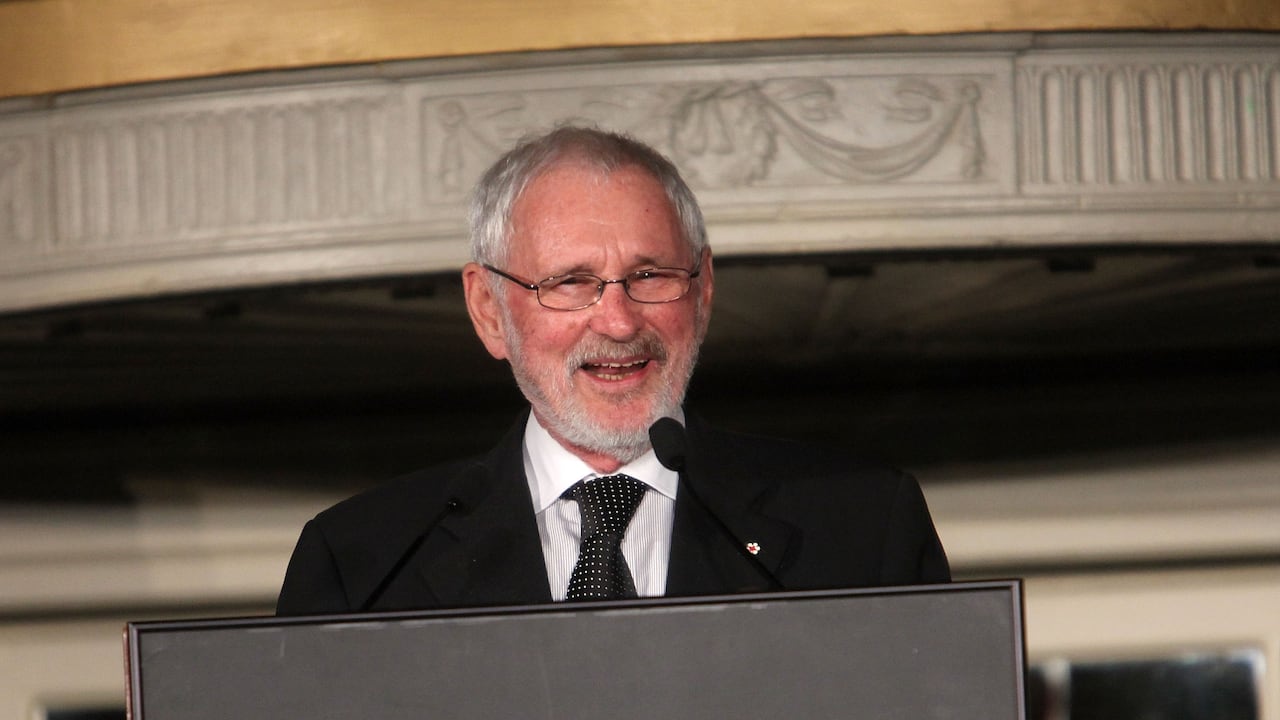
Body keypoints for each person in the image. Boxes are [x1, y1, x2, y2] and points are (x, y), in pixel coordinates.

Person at [276, 125, 949, 615]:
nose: (620, 322)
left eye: (649, 275)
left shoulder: (865, 530)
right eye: (571, 282)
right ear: (488, 310)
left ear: (704, 290)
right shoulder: (362, 563)